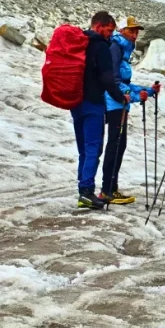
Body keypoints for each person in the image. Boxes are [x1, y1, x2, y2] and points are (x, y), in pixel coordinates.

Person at [99, 16, 158, 205]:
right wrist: (133, 96)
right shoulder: (116, 48)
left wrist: (147, 91)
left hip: (118, 103)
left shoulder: (122, 49)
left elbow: (124, 83)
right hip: (114, 103)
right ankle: (107, 190)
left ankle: (110, 189)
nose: (135, 34)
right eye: (131, 30)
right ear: (122, 31)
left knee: (118, 145)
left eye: (136, 31)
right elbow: (114, 81)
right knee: (115, 145)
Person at [73, 11, 127, 210]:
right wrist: (121, 98)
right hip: (93, 103)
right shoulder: (100, 47)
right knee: (94, 148)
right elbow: (107, 79)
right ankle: (86, 191)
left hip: (75, 101)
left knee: (83, 149)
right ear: (99, 26)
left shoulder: (81, 42)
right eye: (109, 30)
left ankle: (83, 189)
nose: (110, 35)